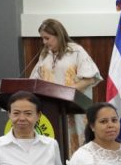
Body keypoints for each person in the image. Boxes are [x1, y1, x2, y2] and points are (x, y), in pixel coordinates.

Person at [30, 18, 103, 154]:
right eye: (42, 39)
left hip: (74, 108)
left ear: (58, 35)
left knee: (76, 146)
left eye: (47, 38)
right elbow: (35, 82)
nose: (44, 42)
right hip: (51, 109)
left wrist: (64, 92)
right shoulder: (45, 55)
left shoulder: (76, 51)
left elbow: (91, 78)